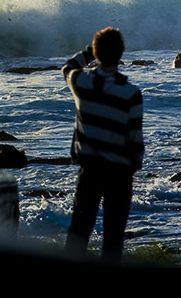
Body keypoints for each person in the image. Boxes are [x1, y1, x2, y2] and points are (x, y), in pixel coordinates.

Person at [62, 27, 144, 263]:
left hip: (90, 171)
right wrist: (132, 167)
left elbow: (68, 67)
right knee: (113, 237)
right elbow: (135, 142)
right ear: (121, 54)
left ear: (97, 54)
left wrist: (90, 52)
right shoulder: (131, 94)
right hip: (119, 174)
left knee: (79, 231)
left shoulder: (82, 84)